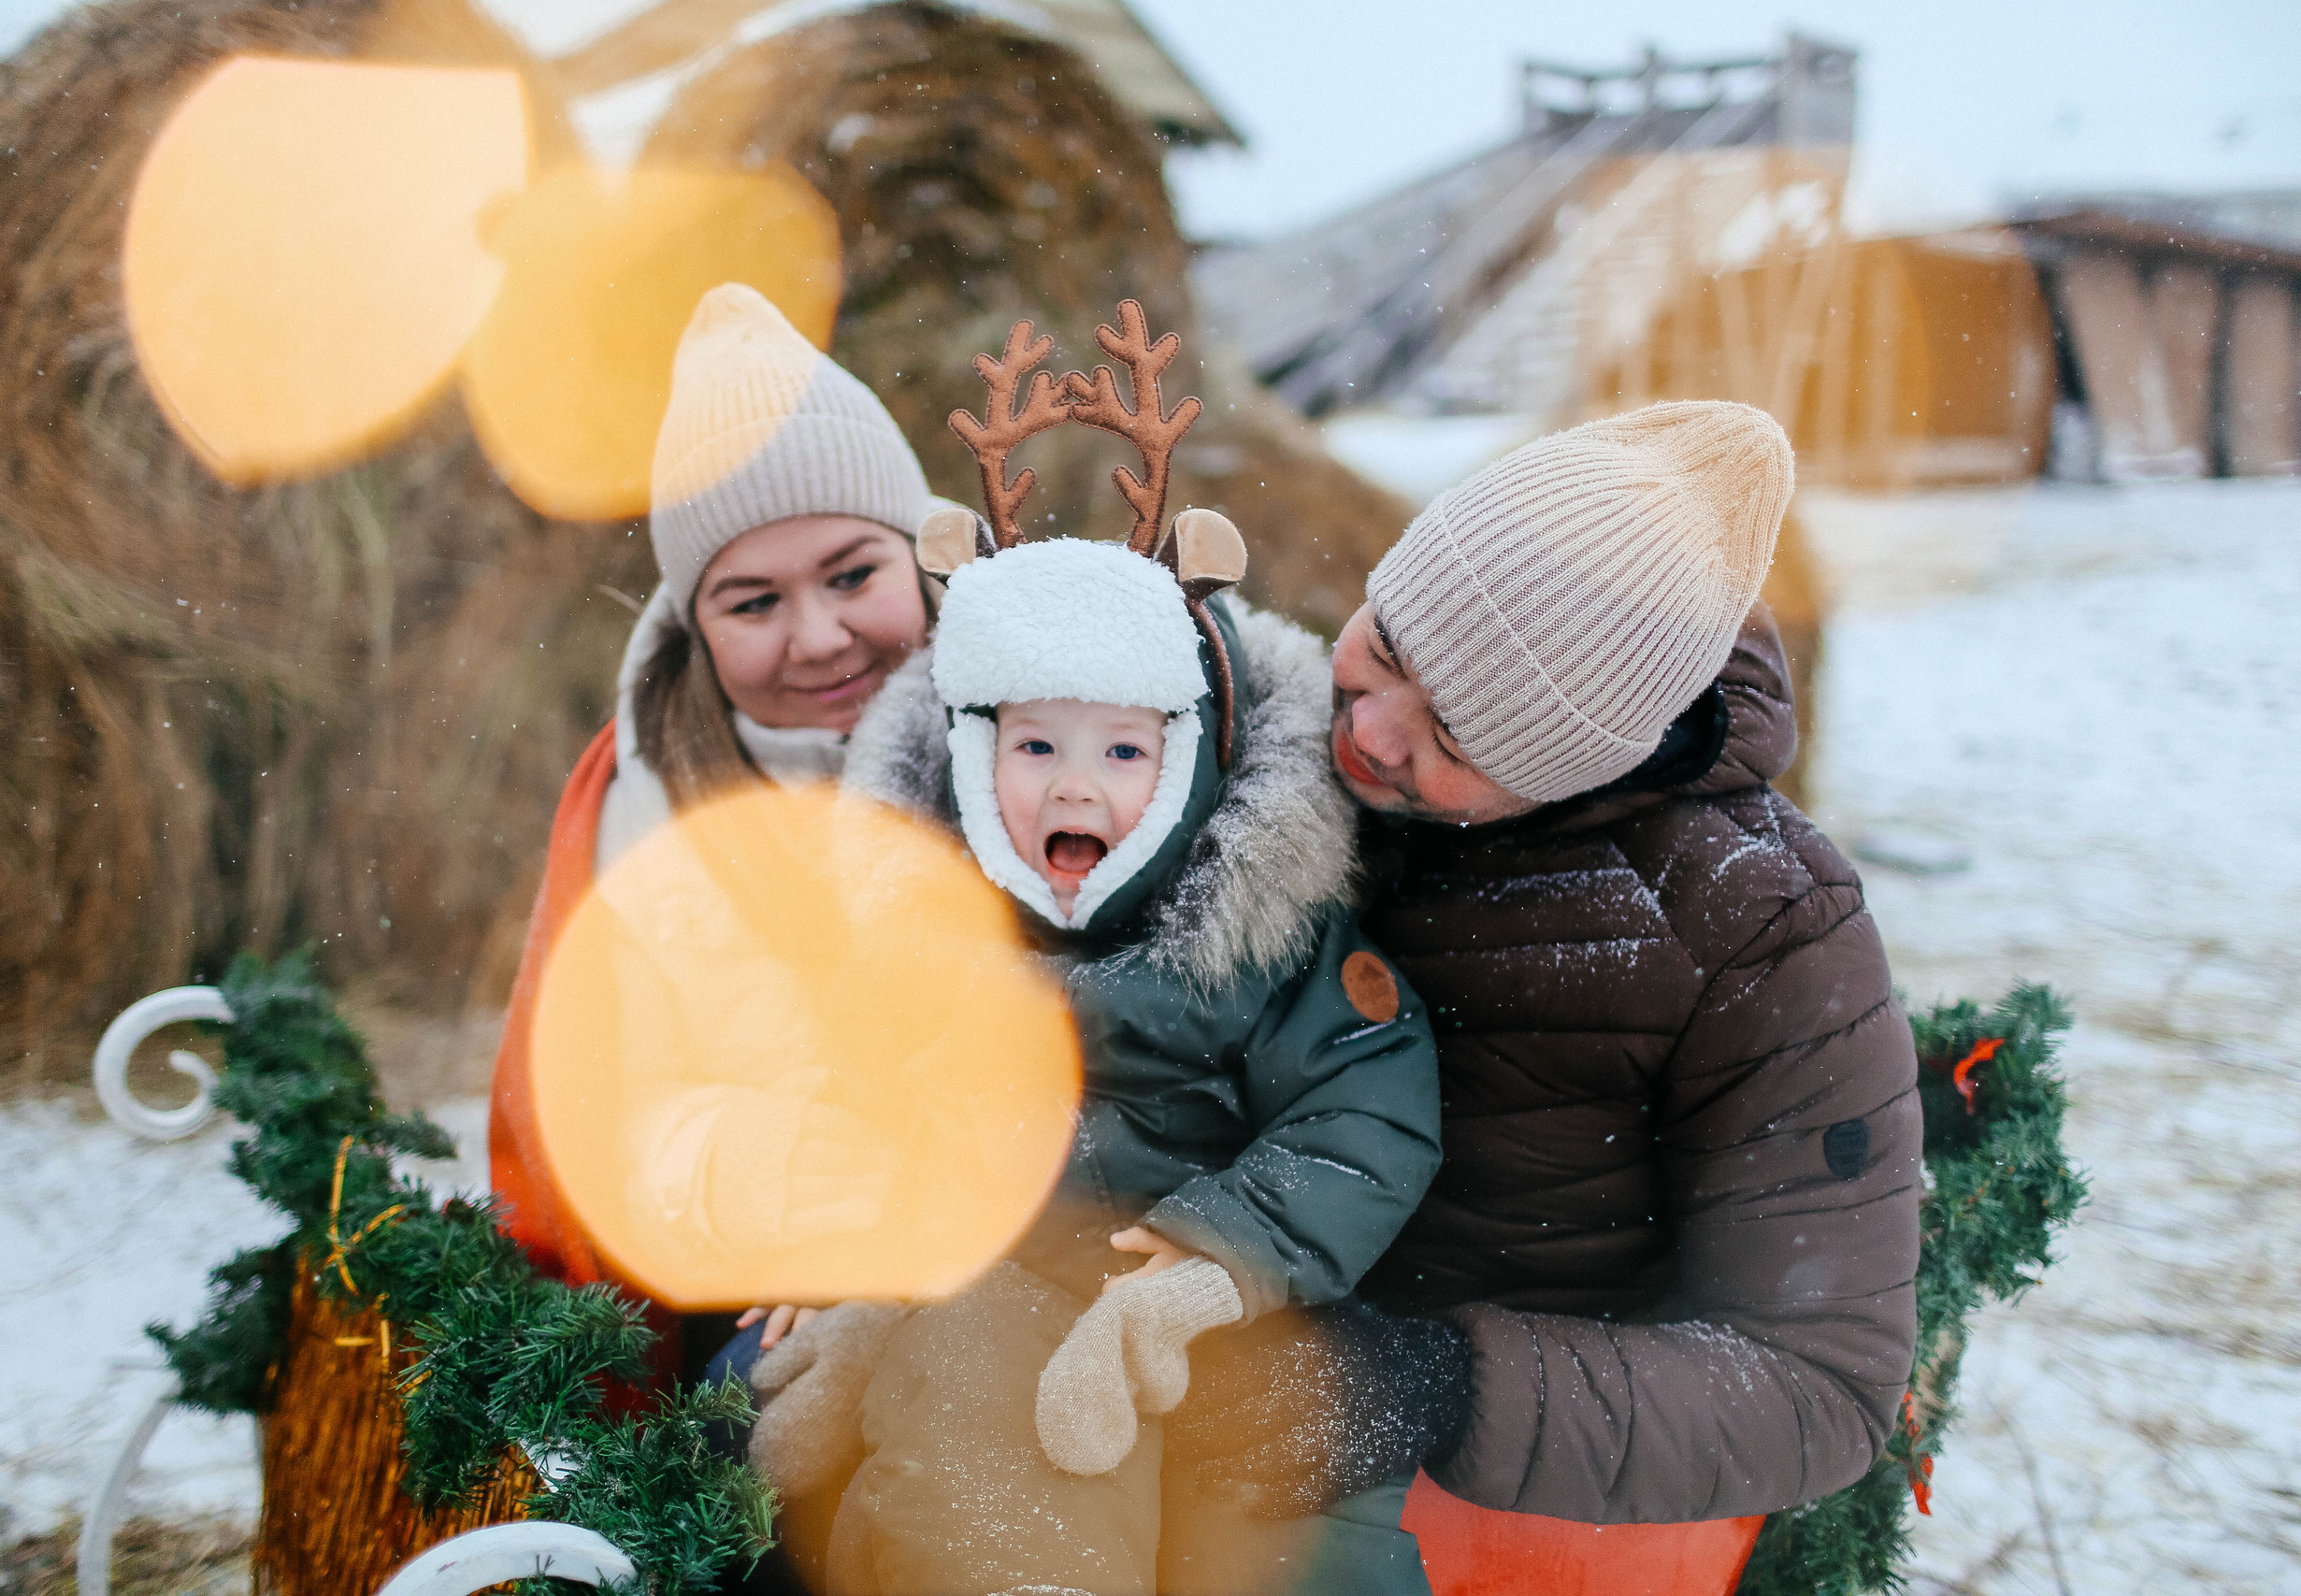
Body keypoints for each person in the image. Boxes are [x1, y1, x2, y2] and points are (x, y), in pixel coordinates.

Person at [1166, 402, 1924, 1573]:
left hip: (1509, 1515)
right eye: (1389, 645)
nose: (1365, 732)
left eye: (1461, 742)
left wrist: (1439, 1389)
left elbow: (1820, 1385)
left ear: (1584, 761)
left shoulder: (1762, 929)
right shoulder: (1266, 734)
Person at [747, 529, 1446, 1596]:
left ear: (1193, 763)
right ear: (972, 759)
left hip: (1214, 1306)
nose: (1076, 791)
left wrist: (1222, 1251)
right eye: (1034, 751)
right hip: (994, 1285)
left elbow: (1364, 1112)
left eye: (1123, 753)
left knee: (1280, 1510)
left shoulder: (1265, 942)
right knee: (971, 1433)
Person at [485, 282, 942, 1376]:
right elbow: (610, 1117)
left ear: (919, 556)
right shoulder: (647, 816)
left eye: (853, 575)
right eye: (753, 603)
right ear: (696, 624)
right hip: (770, 1289)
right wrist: (783, 1178)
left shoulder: (1060, 737)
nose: (820, 637)